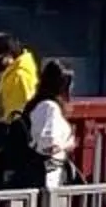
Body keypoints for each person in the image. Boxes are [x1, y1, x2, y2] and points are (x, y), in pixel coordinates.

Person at [0, 34, 40, 193]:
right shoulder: (10, 74)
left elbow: (18, 117)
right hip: (0, 149)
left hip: (5, 151)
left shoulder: (19, 76)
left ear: (9, 55)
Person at [26, 61, 78, 193]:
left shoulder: (37, 104)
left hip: (39, 174)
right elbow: (49, 146)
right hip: (49, 177)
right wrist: (68, 143)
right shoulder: (50, 108)